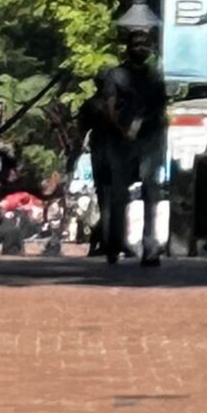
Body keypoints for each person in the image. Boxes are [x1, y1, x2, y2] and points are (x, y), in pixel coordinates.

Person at [83, 34, 170, 264]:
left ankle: (147, 246)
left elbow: (160, 108)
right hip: (122, 142)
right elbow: (110, 105)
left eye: (145, 45)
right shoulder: (118, 75)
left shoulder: (153, 77)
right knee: (120, 195)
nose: (141, 49)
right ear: (128, 49)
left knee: (150, 191)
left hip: (148, 140)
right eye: (137, 45)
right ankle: (115, 244)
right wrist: (123, 130)